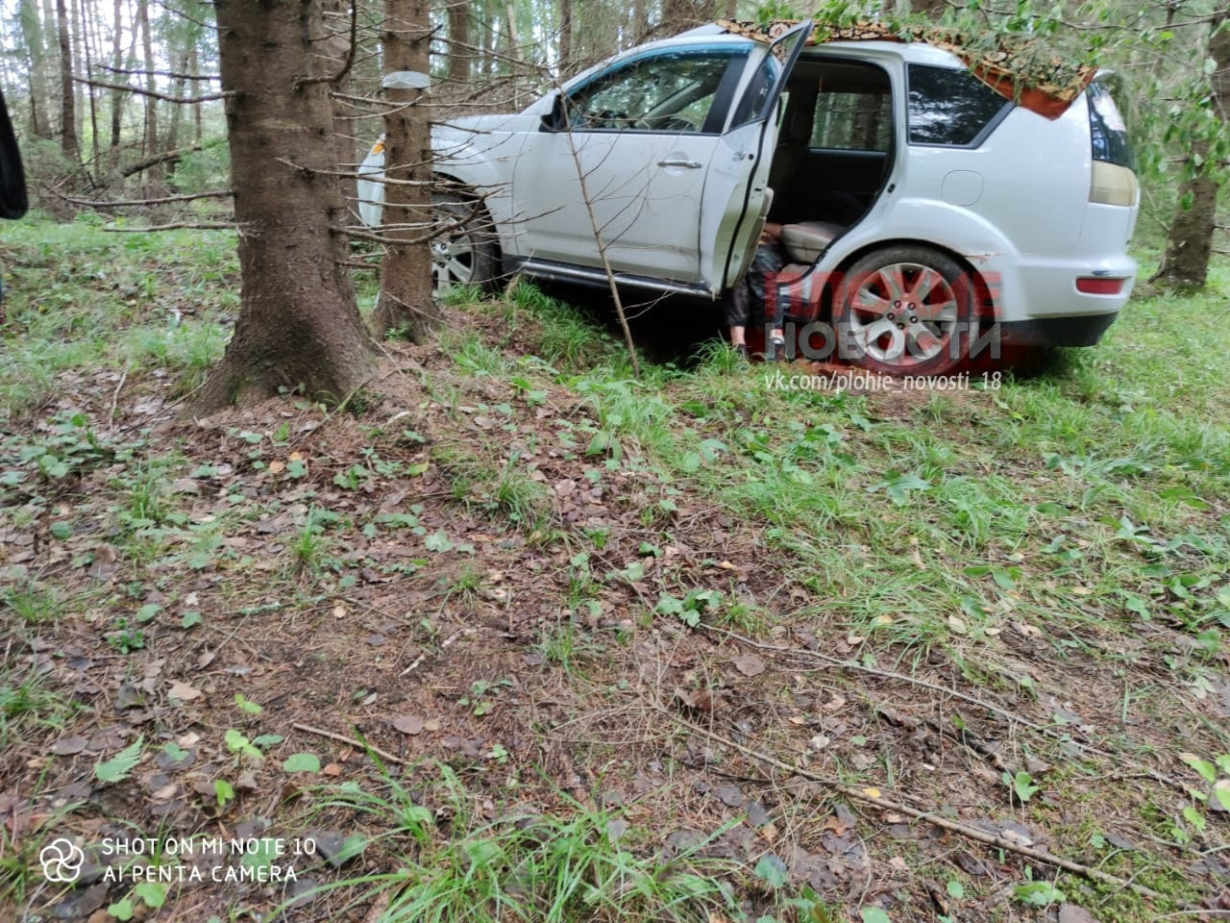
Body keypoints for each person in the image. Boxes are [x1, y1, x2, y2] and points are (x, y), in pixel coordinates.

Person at [727, 221, 786, 361]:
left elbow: (783, 231)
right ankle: (738, 345)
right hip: (737, 247)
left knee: (764, 272)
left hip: (764, 247)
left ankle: (775, 339)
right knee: (736, 278)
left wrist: (756, 223)